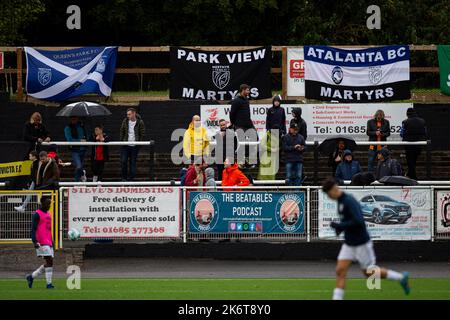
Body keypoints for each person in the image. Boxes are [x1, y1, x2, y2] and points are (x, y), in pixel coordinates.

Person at [321, 177, 410, 300]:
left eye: (328, 194)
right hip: (349, 243)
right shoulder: (341, 202)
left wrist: (340, 225)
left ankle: (400, 278)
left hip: (361, 243)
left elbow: (358, 221)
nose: (329, 197)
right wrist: (340, 228)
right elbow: (349, 222)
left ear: (333, 189)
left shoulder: (349, 201)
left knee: (369, 273)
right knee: (340, 271)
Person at [26, 196, 55, 289]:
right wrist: (34, 241)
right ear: (42, 203)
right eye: (47, 203)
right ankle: (49, 284)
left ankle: (31, 276)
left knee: (49, 262)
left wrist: (52, 240)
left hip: (48, 241)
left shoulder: (49, 214)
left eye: (50, 203)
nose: (49, 205)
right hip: (41, 241)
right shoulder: (37, 214)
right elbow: (33, 229)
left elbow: (48, 229)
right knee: (49, 260)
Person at [230, 84, 257, 167]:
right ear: (243, 90)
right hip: (239, 126)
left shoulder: (246, 100)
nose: (249, 92)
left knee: (254, 140)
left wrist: (250, 124)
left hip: (248, 124)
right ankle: (240, 162)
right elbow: (232, 113)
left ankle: (250, 161)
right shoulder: (236, 100)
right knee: (241, 143)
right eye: (247, 90)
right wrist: (234, 123)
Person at [119, 108, 146, 181]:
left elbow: (142, 133)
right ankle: (124, 178)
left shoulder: (140, 122)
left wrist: (138, 144)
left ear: (134, 114)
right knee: (123, 161)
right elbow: (122, 131)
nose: (128, 116)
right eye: (127, 114)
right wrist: (121, 141)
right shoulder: (125, 121)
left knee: (132, 163)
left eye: (129, 114)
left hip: (134, 146)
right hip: (126, 145)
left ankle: (131, 179)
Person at [401, 108, 427, 180]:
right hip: (419, 144)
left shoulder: (405, 122)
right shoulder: (422, 121)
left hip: (408, 144)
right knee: (414, 160)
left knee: (410, 160)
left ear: (407, 114)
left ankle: (413, 177)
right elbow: (425, 132)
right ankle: (411, 174)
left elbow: (401, 133)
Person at [64, 116, 87, 182]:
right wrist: (80, 141)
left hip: (83, 149)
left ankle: (78, 181)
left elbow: (85, 136)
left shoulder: (81, 126)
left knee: (79, 167)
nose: (74, 119)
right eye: (72, 117)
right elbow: (69, 140)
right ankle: (81, 176)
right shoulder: (68, 128)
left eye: (75, 117)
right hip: (75, 150)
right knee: (79, 166)